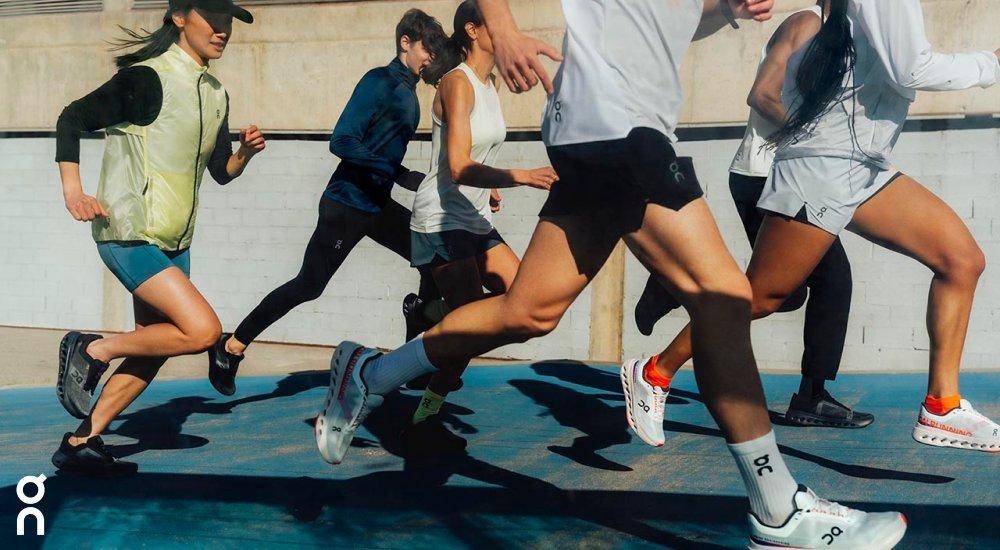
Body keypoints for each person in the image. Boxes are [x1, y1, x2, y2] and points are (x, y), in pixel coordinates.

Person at [314, 1, 907, 547]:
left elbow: (661, 17)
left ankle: (371, 372)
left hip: (607, 125)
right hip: (616, 126)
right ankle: (779, 510)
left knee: (530, 312)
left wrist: (720, 6)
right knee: (723, 297)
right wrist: (506, 27)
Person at [628, 0, 1000, 455]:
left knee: (962, 260)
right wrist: (991, 63)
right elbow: (911, 69)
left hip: (865, 165)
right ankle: (654, 373)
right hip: (822, 167)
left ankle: (941, 406)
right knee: (765, 295)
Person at [628, 0, 875, 431]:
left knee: (791, 292)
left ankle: (679, 287)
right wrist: (820, 136)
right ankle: (658, 368)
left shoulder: (845, 38)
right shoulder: (807, 23)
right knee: (811, 284)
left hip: (798, 176)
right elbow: (761, 94)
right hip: (765, 174)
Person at [53, 0, 263, 476]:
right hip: (130, 231)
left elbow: (220, 172)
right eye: (214, 19)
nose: (224, 30)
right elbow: (72, 118)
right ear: (181, 17)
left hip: (174, 241)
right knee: (203, 331)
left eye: (230, 22)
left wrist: (245, 155)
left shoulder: (214, 92)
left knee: (156, 346)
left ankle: (81, 441)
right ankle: (92, 349)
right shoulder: (147, 78)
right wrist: (74, 192)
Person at [206, 9, 449, 396]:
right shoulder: (380, 82)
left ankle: (413, 352)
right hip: (347, 206)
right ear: (405, 43)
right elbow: (342, 141)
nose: (431, 57)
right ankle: (232, 345)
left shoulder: (409, 92)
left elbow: (379, 150)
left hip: (377, 204)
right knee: (309, 284)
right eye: (427, 48)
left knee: (435, 263)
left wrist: (402, 177)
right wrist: (400, 174)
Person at [398, 0, 557, 457]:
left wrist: (490, 187)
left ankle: (428, 315)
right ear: (472, 28)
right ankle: (424, 415)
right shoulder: (456, 84)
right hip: (441, 220)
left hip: (474, 216)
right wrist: (520, 176)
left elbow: (475, 161)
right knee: (469, 330)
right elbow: (458, 165)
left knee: (528, 303)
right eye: (497, 22)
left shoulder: (490, 85)